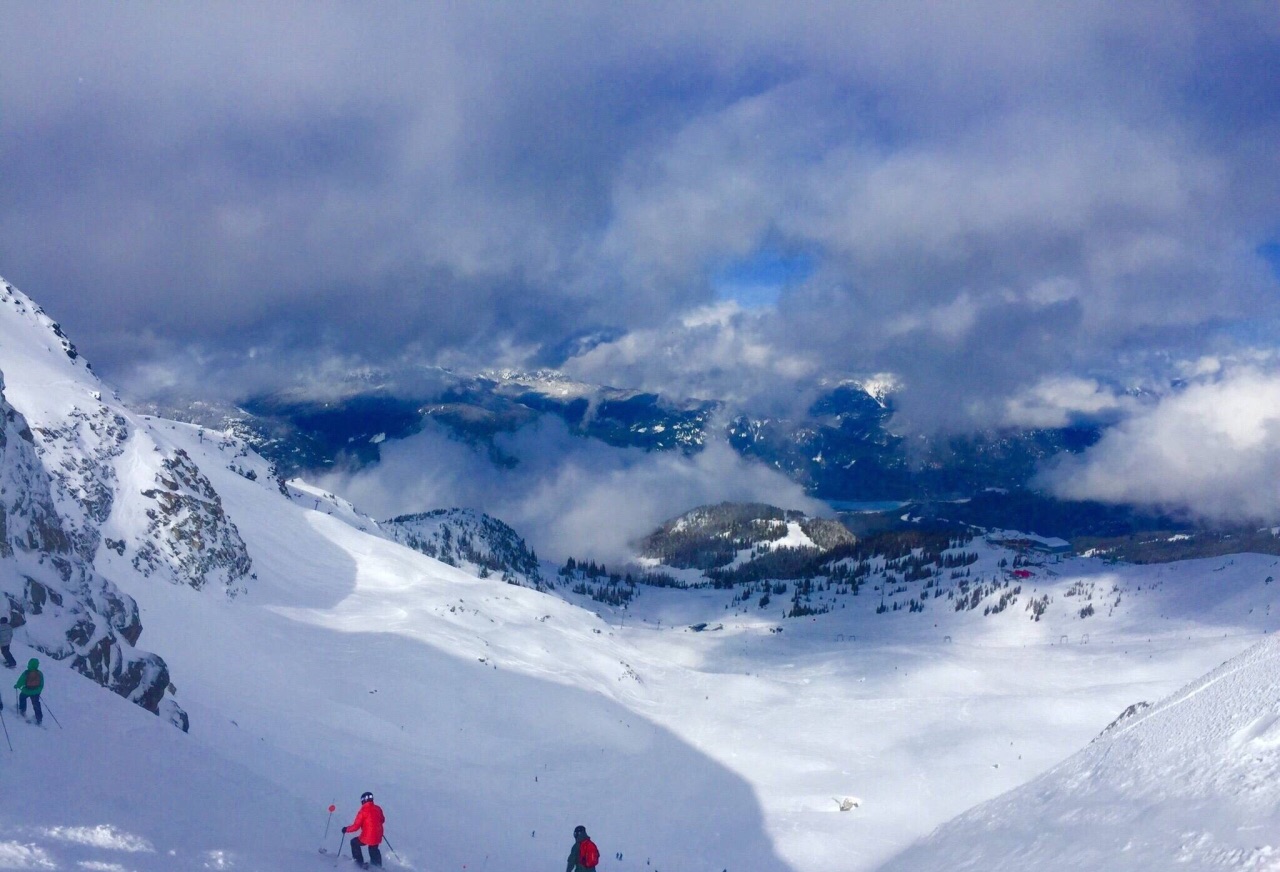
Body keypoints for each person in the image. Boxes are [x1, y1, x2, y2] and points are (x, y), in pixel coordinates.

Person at [342, 791, 385, 868]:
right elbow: (382, 820)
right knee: (373, 848)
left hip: (367, 836)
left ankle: (359, 863)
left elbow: (356, 827)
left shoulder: (362, 811)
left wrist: (346, 829)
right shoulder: (378, 808)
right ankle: (377, 866)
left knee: (354, 842)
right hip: (378, 835)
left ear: (363, 801)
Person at [15, 658, 42, 725]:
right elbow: (41, 684)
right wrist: (38, 691)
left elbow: (21, 681)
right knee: (36, 704)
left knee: (22, 697)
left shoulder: (26, 673)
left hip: (26, 690)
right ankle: (39, 718)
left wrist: (17, 686)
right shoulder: (39, 673)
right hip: (35, 692)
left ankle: (22, 710)